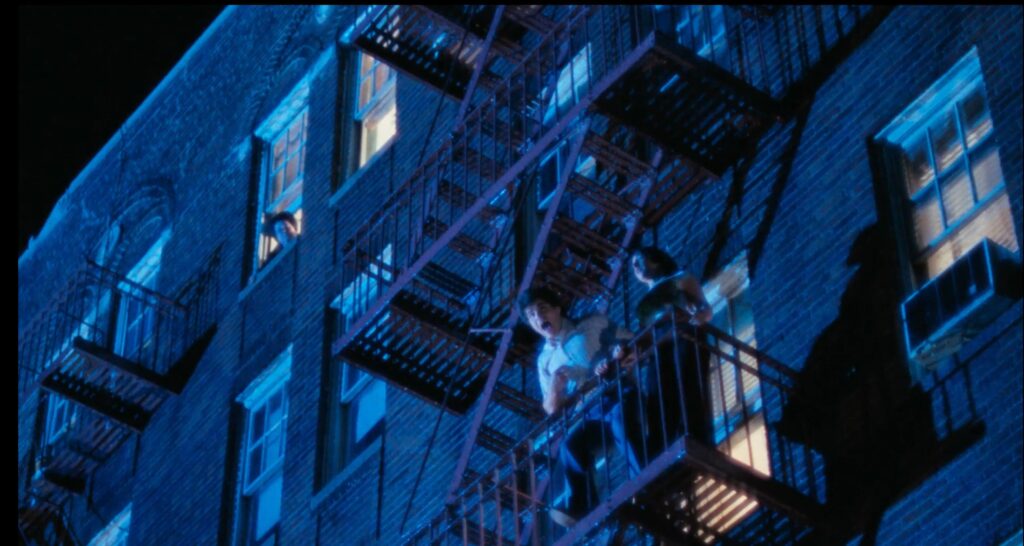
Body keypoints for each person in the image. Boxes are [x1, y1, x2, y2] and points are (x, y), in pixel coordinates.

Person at [518, 287, 643, 528]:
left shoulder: (591, 325)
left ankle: (643, 478)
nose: (538, 318)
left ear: (557, 309)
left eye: (542, 309)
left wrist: (621, 357)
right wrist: (555, 388)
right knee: (571, 446)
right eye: (531, 316)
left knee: (621, 421)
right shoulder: (545, 361)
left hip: (616, 391)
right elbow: (552, 409)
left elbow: (631, 342)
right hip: (587, 412)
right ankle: (583, 507)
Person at [630, 246, 714, 454]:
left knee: (687, 385)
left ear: (655, 260)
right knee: (656, 396)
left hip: (684, 335)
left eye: (640, 260)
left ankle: (696, 438)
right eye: (633, 266)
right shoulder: (643, 305)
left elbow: (704, 307)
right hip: (660, 347)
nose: (636, 267)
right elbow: (644, 337)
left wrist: (699, 317)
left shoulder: (680, 278)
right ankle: (662, 451)